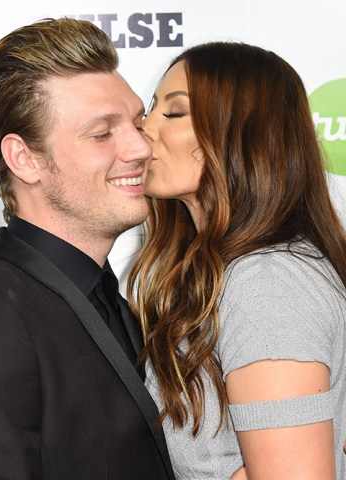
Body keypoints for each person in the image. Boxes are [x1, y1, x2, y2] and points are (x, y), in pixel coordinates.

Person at [0, 17, 175, 480]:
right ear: (25, 159)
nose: (140, 148)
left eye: (137, 123)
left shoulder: (110, 300)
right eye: (102, 134)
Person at [128, 41, 346, 479]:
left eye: (173, 112)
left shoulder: (267, 282)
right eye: (152, 109)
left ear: (241, 134)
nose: (143, 128)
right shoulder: (227, 272)